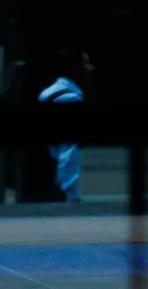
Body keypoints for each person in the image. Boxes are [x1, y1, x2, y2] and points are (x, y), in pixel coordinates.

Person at [38, 48, 92, 203]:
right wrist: (71, 195)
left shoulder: (48, 93)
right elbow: (69, 150)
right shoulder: (70, 99)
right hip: (61, 189)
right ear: (74, 67)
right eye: (85, 64)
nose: (90, 69)